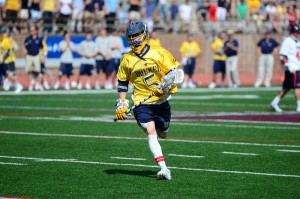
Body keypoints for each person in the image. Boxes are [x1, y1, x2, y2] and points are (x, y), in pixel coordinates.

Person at [115, 21, 180, 180]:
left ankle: (162, 128)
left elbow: (176, 75)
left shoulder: (159, 53)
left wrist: (165, 87)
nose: (134, 39)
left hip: (161, 102)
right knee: (151, 132)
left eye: (137, 35)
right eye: (131, 37)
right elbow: (123, 83)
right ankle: (164, 168)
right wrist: (122, 103)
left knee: (162, 133)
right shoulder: (127, 59)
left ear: (144, 34)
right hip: (141, 103)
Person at [270, 24, 300, 113]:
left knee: (286, 88)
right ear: (291, 32)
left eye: (298, 32)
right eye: (295, 32)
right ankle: (299, 106)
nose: (297, 34)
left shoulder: (297, 42)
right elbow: (282, 56)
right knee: (298, 87)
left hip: (297, 67)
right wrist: (287, 65)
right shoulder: (287, 41)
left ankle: (274, 102)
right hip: (293, 68)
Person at [23, 25, 44, 91]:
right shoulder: (28, 39)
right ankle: (30, 85)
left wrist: (42, 56)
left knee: (37, 71)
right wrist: (25, 51)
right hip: (29, 56)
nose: (31, 32)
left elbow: (41, 48)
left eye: (33, 30)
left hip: (36, 56)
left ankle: (39, 84)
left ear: (35, 31)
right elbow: (24, 46)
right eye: (30, 30)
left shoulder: (39, 39)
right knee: (29, 71)